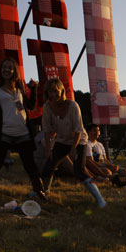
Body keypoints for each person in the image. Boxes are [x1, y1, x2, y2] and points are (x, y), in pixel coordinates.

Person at [0, 58, 46, 200]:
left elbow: (31, 106)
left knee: (30, 166)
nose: (6, 70)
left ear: (15, 71)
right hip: (3, 134)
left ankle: (41, 193)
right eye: (4, 68)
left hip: (23, 133)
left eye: (10, 68)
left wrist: (33, 89)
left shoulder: (20, 88)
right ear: (0, 71)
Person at [40, 78, 106, 208]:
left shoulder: (73, 106)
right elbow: (47, 131)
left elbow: (78, 130)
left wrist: (74, 149)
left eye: (55, 91)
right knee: (49, 166)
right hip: (62, 140)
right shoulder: (47, 107)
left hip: (79, 140)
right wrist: (48, 149)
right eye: (50, 92)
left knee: (79, 170)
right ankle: (45, 191)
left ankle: (100, 199)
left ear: (62, 91)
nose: (53, 95)